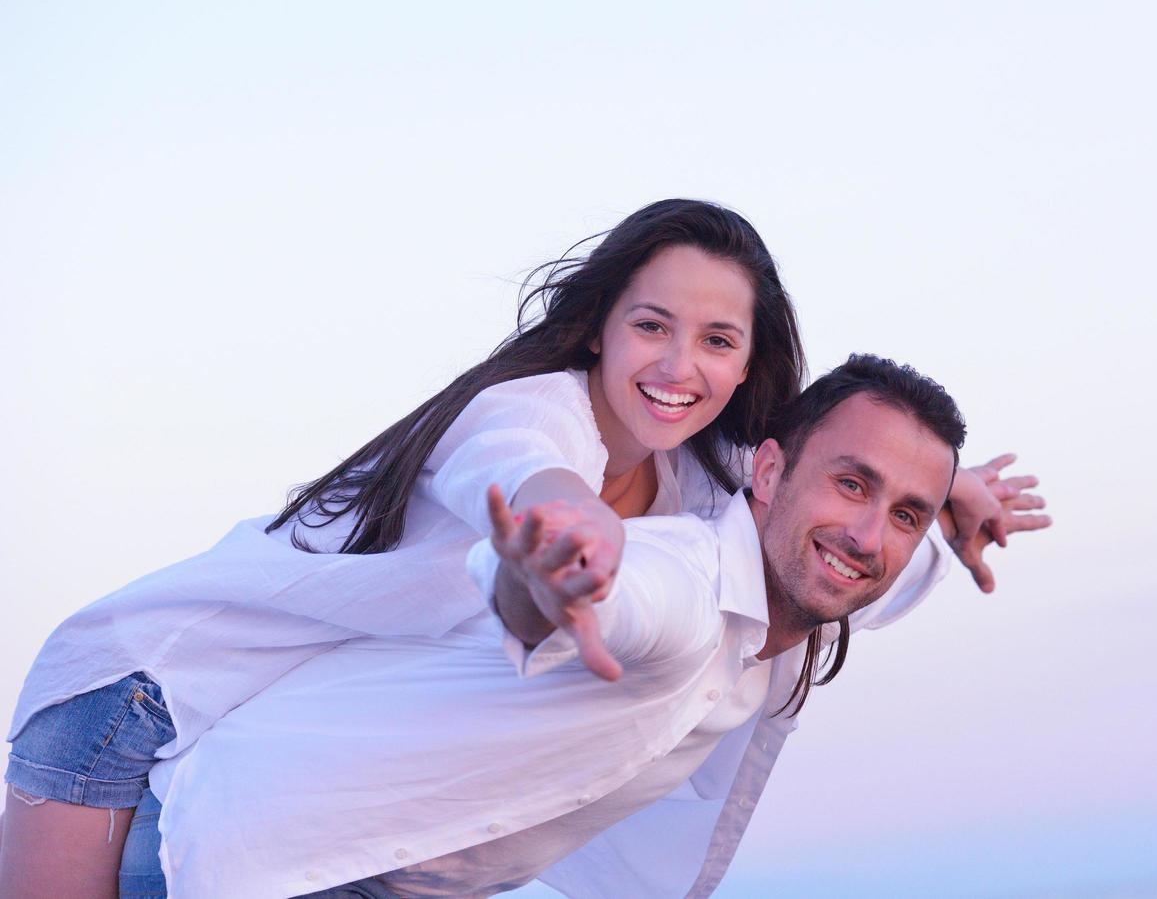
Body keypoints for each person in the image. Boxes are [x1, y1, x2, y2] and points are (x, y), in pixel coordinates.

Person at [1, 202, 1044, 898]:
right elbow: (520, 486)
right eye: (651, 325)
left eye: (717, 340)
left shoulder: (711, 476)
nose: (679, 363)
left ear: (748, 366)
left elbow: (826, 532)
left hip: (281, 766)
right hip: (142, 691)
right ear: (600, 327)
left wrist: (937, 490)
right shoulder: (530, 417)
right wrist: (559, 530)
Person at [127, 355, 1015, 898]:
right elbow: (607, 594)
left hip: (359, 870)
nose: (868, 534)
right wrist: (548, 584)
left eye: (904, 513)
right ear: (770, 471)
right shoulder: (684, 587)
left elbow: (875, 573)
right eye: (851, 484)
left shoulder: (810, 588)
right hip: (225, 848)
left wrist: (943, 513)